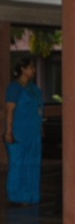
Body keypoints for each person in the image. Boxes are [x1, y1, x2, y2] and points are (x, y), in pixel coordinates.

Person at [4, 58, 43, 205]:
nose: (33, 70)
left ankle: (30, 195)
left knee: (32, 164)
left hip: (34, 133)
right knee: (18, 165)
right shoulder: (14, 88)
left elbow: (38, 110)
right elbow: (10, 111)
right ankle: (16, 196)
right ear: (23, 69)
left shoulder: (34, 89)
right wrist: (9, 132)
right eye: (31, 68)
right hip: (19, 132)